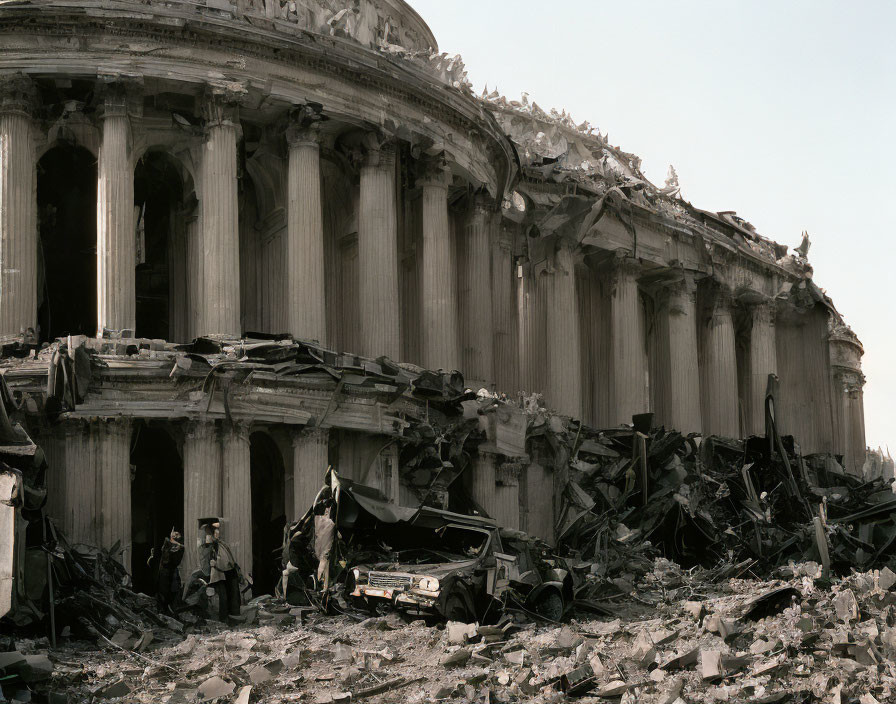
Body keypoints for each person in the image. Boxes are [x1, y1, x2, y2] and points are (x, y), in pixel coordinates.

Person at [198, 520, 241, 622]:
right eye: (215, 530)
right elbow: (205, 559)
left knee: (232, 595)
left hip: (228, 572)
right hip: (219, 573)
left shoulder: (222, 544)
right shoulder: (208, 545)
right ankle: (224, 618)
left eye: (218, 530)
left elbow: (229, 560)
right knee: (223, 597)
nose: (218, 532)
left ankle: (233, 617)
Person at [156, 528, 184, 614]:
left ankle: (169, 610)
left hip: (173, 571)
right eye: (174, 533)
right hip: (165, 570)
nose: (175, 535)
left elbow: (176, 560)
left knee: (173, 592)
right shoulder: (167, 544)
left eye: (177, 534)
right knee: (163, 591)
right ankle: (163, 610)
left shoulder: (179, 547)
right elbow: (165, 558)